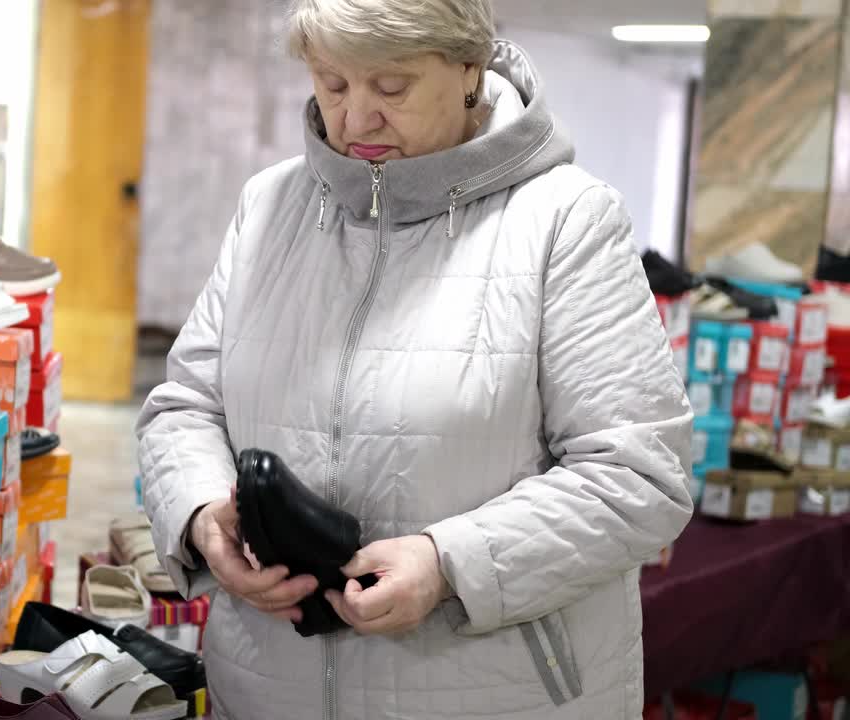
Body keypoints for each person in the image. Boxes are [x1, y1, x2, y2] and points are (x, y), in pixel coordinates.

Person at [136, 0, 694, 718]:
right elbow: (185, 406)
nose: (355, 118)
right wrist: (204, 512)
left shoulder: (566, 221)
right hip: (271, 689)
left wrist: (450, 563)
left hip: (493, 694)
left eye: (390, 88)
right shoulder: (268, 207)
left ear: (468, 69)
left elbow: (640, 472)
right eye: (332, 84)